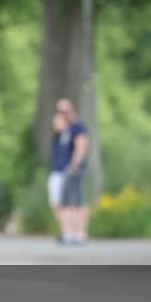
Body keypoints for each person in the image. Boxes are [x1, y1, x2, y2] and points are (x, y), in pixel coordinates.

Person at [52, 98, 90, 244]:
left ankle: (79, 233)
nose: (61, 114)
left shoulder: (77, 126)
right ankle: (69, 233)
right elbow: (56, 127)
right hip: (62, 169)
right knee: (66, 202)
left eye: (64, 111)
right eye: (59, 111)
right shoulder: (64, 129)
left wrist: (74, 165)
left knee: (77, 201)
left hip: (73, 169)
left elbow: (81, 146)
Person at [47, 112, 69, 239]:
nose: (55, 124)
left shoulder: (68, 136)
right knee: (55, 203)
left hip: (64, 173)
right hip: (55, 172)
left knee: (65, 203)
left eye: (58, 122)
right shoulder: (56, 138)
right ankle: (64, 229)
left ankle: (68, 231)